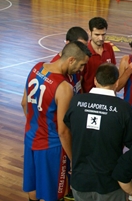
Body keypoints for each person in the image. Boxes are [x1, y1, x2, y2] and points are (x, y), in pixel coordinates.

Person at [21, 41, 91, 201]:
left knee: (33, 189)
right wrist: (75, 160)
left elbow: (24, 103)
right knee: (53, 194)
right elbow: (63, 131)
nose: (81, 70)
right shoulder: (64, 87)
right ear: (71, 60)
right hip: (51, 147)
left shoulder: (36, 67)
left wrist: (38, 126)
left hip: (30, 139)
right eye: (81, 65)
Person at [63, 63, 132, 201]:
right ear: (116, 83)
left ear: (95, 81)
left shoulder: (76, 101)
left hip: (80, 180)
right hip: (109, 183)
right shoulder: (124, 108)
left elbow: (67, 130)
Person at [82, 17, 116, 93]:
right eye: (97, 34)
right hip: (89, 96)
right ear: (89, 32)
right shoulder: (83, 52)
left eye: (103, 34)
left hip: (106, 95)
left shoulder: (109, 48)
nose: (101, 38)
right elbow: (80, 78)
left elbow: (112, 72)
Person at [51, 26, 89, 94]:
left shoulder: (80, 61)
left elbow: (79, 85)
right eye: (79, 46)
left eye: (85, 47)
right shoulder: (55, 68)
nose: (83, 50)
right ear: (68, 43)